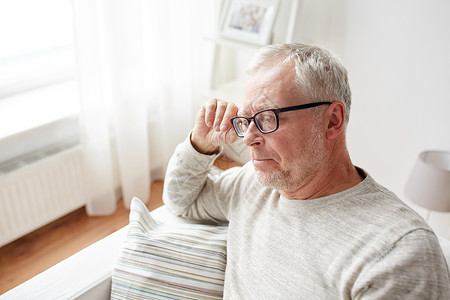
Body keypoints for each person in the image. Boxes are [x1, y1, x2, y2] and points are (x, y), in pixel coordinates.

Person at [162, 43, 450, 299]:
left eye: (267, 117)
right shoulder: (253, 182)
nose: (248, 137)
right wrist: (200, 144)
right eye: (246, 120)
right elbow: (182, 199)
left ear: (332, 121)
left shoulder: (399, 252)